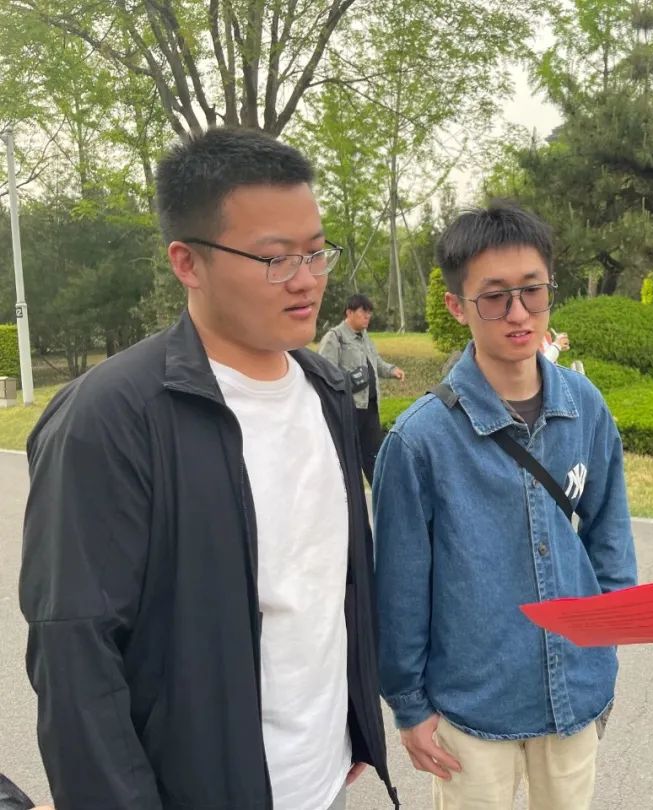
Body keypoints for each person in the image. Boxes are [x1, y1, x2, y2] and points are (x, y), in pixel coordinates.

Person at [19, 128, 397, 810]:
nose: (307, 279)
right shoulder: (110, 419)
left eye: (316, 252)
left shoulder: (324, 392)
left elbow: (328, 587)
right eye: (274, 258)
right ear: (187, 263)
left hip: (322, 779)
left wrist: (353, 724)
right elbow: (75, 657)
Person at [373, 202, 637, 809]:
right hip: (471, 705)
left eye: (532, 291)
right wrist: (409, 707)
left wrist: (608, 643)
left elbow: (610, 533)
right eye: (494, 297)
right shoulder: (420, 441)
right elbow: (400, 587)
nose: (518, 314)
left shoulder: (584, 405)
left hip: (574, 689)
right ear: (456, 305)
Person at [319, 294, 405, 485]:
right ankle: (351, 498)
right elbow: (325, 374)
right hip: (349, 409)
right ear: (349, 313)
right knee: (348, 460)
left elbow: (376, 362)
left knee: (375, 459)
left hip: (370, 408)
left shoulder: (365, 337)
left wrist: (392, 370)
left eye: (369, 313)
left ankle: (383, 496)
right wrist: (347, 383)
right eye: (363, 312)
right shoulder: (335, 337)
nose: (367, 316)